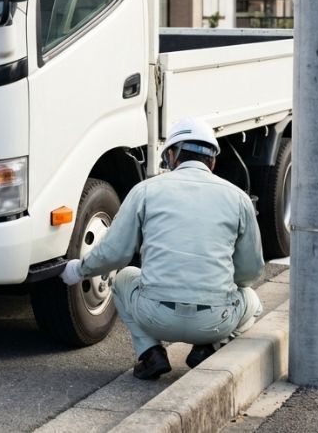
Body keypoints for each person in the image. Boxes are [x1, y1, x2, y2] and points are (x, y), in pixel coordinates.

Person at [60, 117, 265, 380]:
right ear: (213, 161)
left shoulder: (145, 191)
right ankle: (209, 347)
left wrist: (79, 270)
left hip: (155, 316)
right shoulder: (238, 198)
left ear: (171, 155)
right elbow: (250, 271)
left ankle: (150, 353)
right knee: (254, 302)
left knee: (124, 277)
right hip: (215, 320)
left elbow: (115, 253)